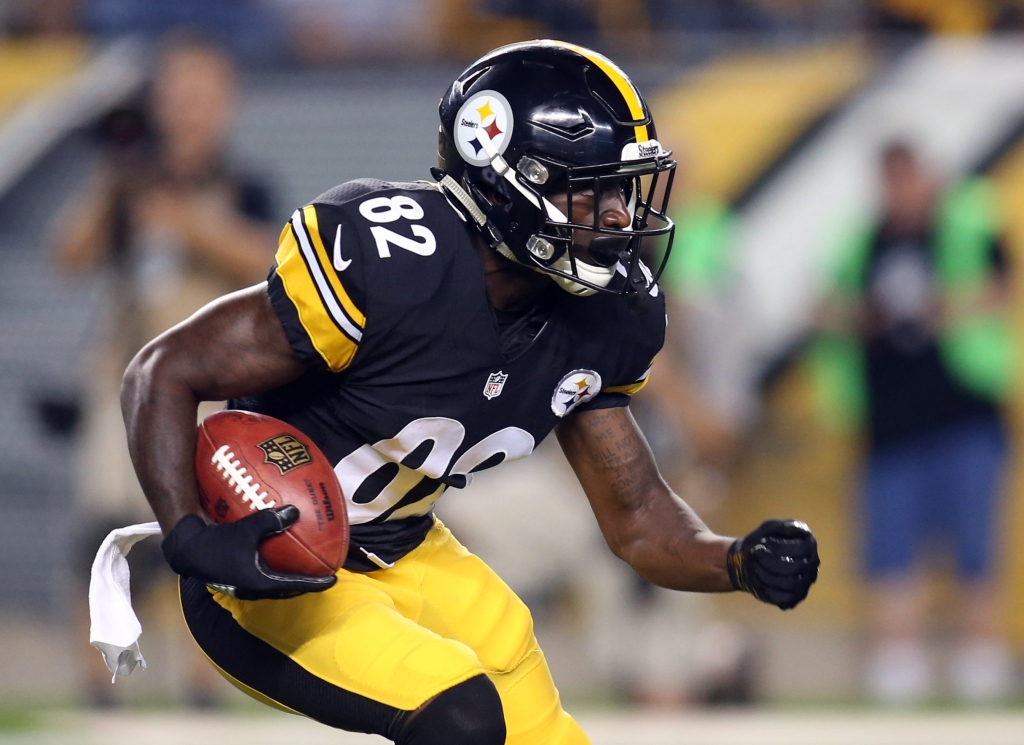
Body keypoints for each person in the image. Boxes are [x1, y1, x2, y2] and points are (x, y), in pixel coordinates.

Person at [120, 41, 819, 743]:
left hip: (407, 547)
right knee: (462, 716)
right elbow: (163, 369)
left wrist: (736, 559)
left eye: (623, 189)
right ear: (505, 181)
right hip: (278, 560)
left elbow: (639, 518)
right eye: (592, 187)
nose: (616, 216)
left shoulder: (602, 315)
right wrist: (188, 537)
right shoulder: (392, 266)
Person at [53, 33, 276, 705]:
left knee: (203, 527)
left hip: (210, 384)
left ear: (226, 103)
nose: (189, 108)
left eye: (203, 93)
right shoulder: (127, 180)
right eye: (178, 92)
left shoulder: (244, 183)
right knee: (103, 527)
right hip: (124, 373)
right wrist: (115, 181)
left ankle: (203, 677)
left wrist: (187, 221)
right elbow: (69, 255)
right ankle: (100, 676)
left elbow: (269, 263)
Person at [815, 141, 1013, 704]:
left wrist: (941, 306)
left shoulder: (966, 230)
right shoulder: (862, 241)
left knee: (975, 545)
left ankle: (979, 658)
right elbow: (825, 306)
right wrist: (866, 315)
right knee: (892, 551)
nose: (900, 192)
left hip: (964, 412)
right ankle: (898, 661)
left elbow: (1000, 290)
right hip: (890, 424)